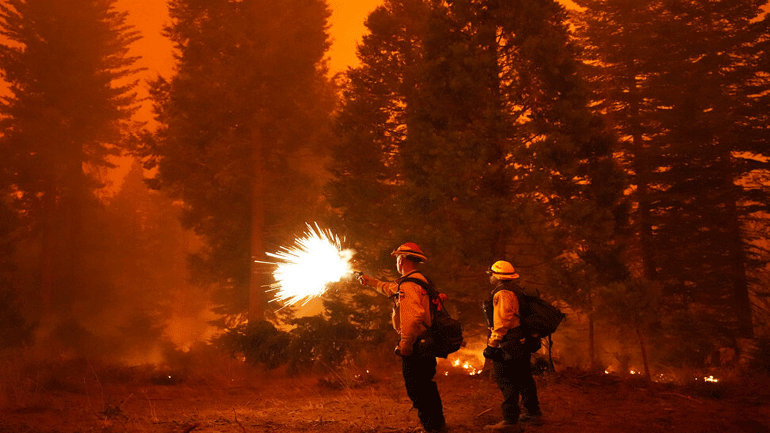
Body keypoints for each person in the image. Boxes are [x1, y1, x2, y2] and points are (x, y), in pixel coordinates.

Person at [359, 242, 447, 433]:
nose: (396, 261)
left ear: (403, 259)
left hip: (416, 344)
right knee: (427, 385)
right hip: (427, 342)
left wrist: (406, 342)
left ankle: (431, 428)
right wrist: (371, 281)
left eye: (398, 257)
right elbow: (391, 289)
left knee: (417, 388)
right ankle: (437, 425)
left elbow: (411, 315)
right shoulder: (421, 281)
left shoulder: (409, 285)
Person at [482, 260, 542, 432]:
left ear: (497, 276)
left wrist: (492, 344)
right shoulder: (517, 291)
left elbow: (502, 322)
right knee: (524, 377)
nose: (490, 278)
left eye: (491, 274)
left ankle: (510, 421)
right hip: (521, 341)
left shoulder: (503, 293)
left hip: (509, 343)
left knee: (507, 380)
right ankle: (533, 412)